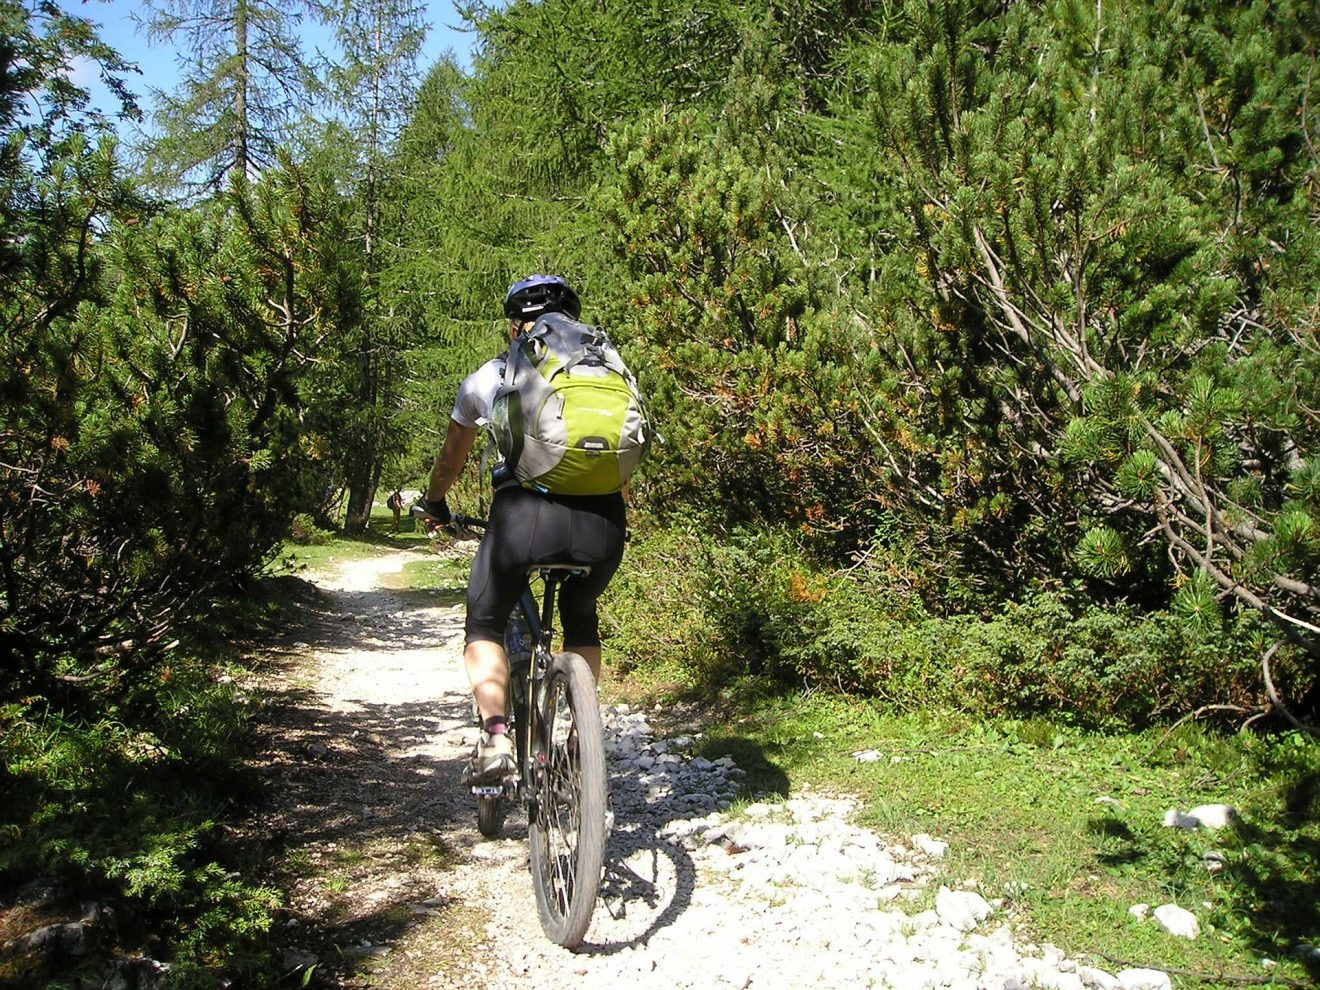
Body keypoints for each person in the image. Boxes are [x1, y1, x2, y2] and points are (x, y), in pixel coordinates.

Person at [416, 275, 628, 782]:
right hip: (603, 525)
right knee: (580, 613)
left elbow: (450, 460)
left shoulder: (490, 376)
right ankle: (582, 738)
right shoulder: (607, 369)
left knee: (485, 623)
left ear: (516, 327)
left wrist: (435, 502)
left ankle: (495, 740)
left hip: (524, 521)